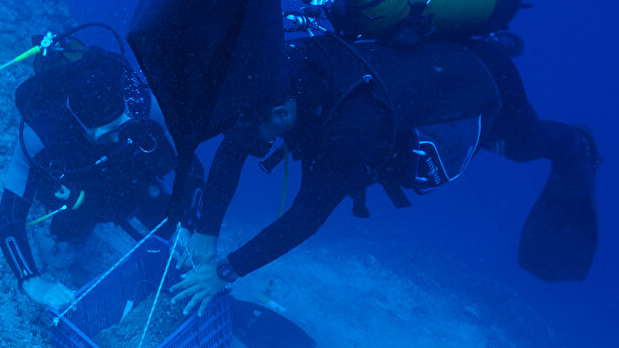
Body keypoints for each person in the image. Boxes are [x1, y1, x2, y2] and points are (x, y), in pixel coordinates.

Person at [171, 32, 601, 315]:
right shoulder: (274, 72)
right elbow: (233, 147)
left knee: (521, 145)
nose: (252, 140)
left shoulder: (351, 132)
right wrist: (206, 232)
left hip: (477, 79)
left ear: (283, 112)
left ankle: (575, 145)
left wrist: (225, 271)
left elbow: (306, 217)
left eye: (259, 130)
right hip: (425, 65)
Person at [0, 39, 181, 310]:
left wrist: (191, 224)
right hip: (80, 187)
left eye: (123, 126)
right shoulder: (39, 137)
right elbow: (9, 216)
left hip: (131, 180)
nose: (119, 139)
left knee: (166, 219)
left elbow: (189, 161)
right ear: (80, 125)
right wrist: (32, 281)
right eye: (108, 133)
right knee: (69, 231)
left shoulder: (143, 104)